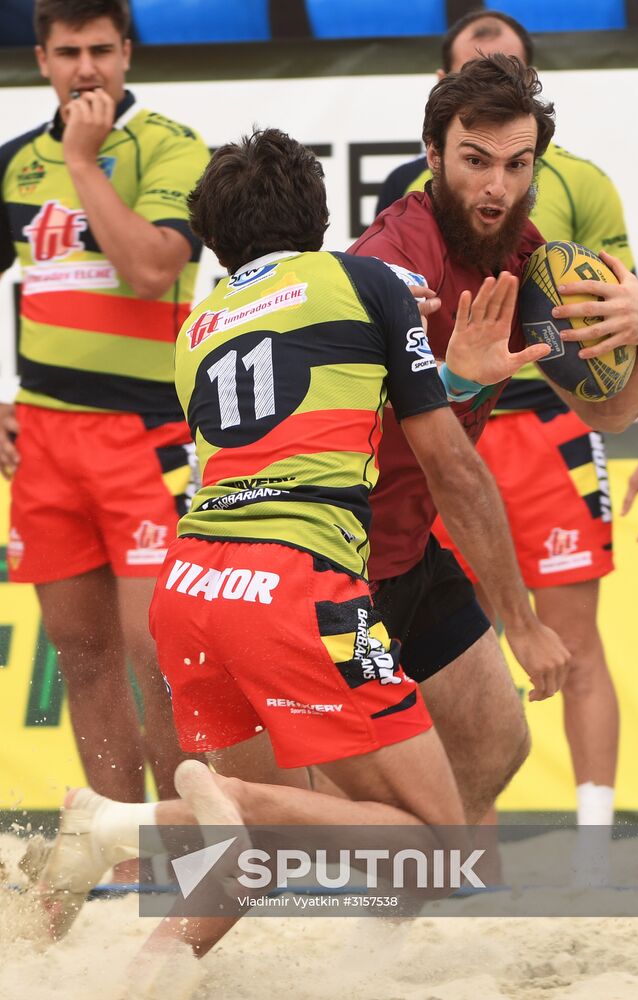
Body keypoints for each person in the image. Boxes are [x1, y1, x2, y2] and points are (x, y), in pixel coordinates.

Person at [35, 127, 571, 956]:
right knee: (435, 850)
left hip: (193, 588)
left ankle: (148, 957)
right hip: (294, 586)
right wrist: (523, 619)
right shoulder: (368, 281)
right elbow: (448, 466)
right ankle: (127, 825)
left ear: (212, 237)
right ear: (321, 215)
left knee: (252, 859)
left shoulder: (198, 325)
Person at [347, 53, 638, 827]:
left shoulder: (530, 261)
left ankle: (380, 928)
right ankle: (131, 830)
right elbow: (414, 450)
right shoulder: (397, 261)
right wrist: (519, 623)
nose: (498, 187)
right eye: (476, 162)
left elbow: (609, 415)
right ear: (432, 154)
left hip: (405, 550)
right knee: (350, 806)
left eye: (518, 165)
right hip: (332, 556)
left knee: (494, 746)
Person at [0, 0, 209, 807]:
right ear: (42, 58)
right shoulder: (15, 165)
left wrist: (84, 164)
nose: (85, 67)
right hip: (46, 441)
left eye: (99, 49)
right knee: (81, 655)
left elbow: (154, 269)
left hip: (145, 435)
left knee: (155, 652)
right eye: (67, 51)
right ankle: (127, 869)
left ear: (127, 54)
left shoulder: (172, 148)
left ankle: (193, 857)